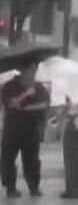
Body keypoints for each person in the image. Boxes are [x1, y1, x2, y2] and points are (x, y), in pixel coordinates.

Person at [1, 62, 49, 197]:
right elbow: (10, 103)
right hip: (12, 128)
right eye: (31, 68)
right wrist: (26, 94)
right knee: (8, 159)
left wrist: (26, 108)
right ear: (21, 69)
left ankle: (34, 187)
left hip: (31, 128)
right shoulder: (9, 86)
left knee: (32, 160)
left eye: (35, 68)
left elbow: (44, 104)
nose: (33, 71)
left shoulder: (39, 86)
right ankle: (10, 188)